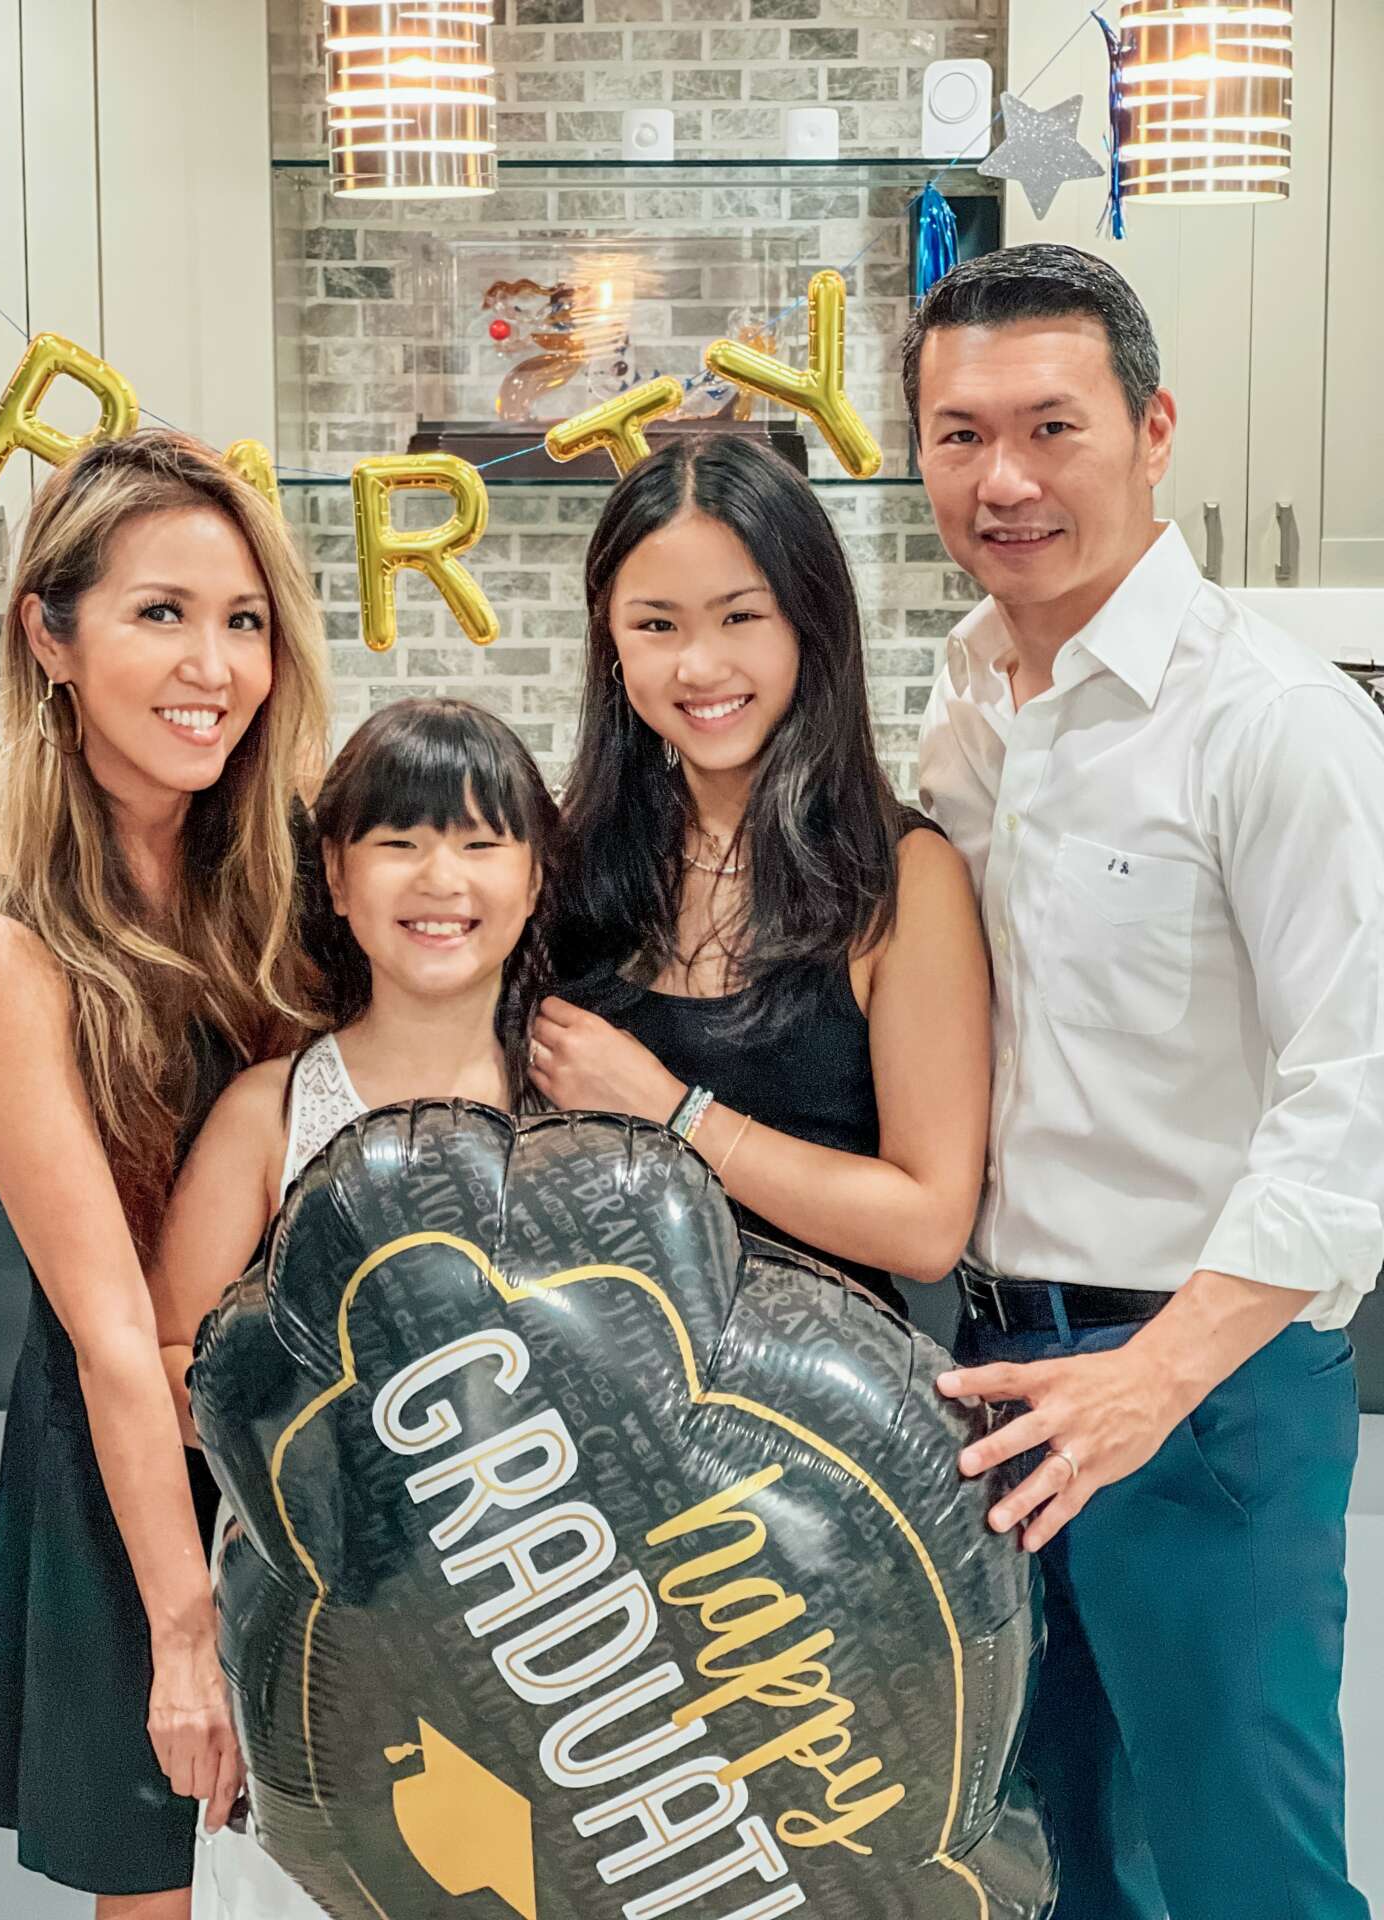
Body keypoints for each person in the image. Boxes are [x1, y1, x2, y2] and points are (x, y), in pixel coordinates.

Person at [909, 243, 1383, 1920]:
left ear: (1154, 428)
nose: (1006, 479)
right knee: (1046, 1854)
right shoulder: (965, 698)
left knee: (1243, 1866)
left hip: (1206, 1383)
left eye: (1053, 426)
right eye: (961, 435)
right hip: (993, 1375)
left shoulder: (1276, 723)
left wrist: (1155, 1378)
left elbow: (1358, 1098)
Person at [0, 431, 329, 1918]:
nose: (211, 667)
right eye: (159, 613)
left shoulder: (287, 883)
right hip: (134, 1484)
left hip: (314, 1450)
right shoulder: (5, 944)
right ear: (51, 636)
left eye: (243, 621)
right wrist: (181, 1631)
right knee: (167, 1880)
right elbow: (114, 1337)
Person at [150, 698, 557, 1920]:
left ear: (537, 875)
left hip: (558, 1638)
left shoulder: (592, 1104)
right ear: (334, 874)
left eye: (482, 843)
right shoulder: (270, 1112)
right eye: (398, 843)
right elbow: (172, 1355)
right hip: (314, 1644)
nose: (442, 880)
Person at [536, 433, 991, 1296]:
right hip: (594, 1367)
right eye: (656, 625)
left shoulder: (901, 877)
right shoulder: (570, 859)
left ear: (808, 623)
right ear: (611, 645)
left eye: (741, 617)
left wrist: (670, 1112)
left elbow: (928, 1225)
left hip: (822, 1370)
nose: (700, 665)